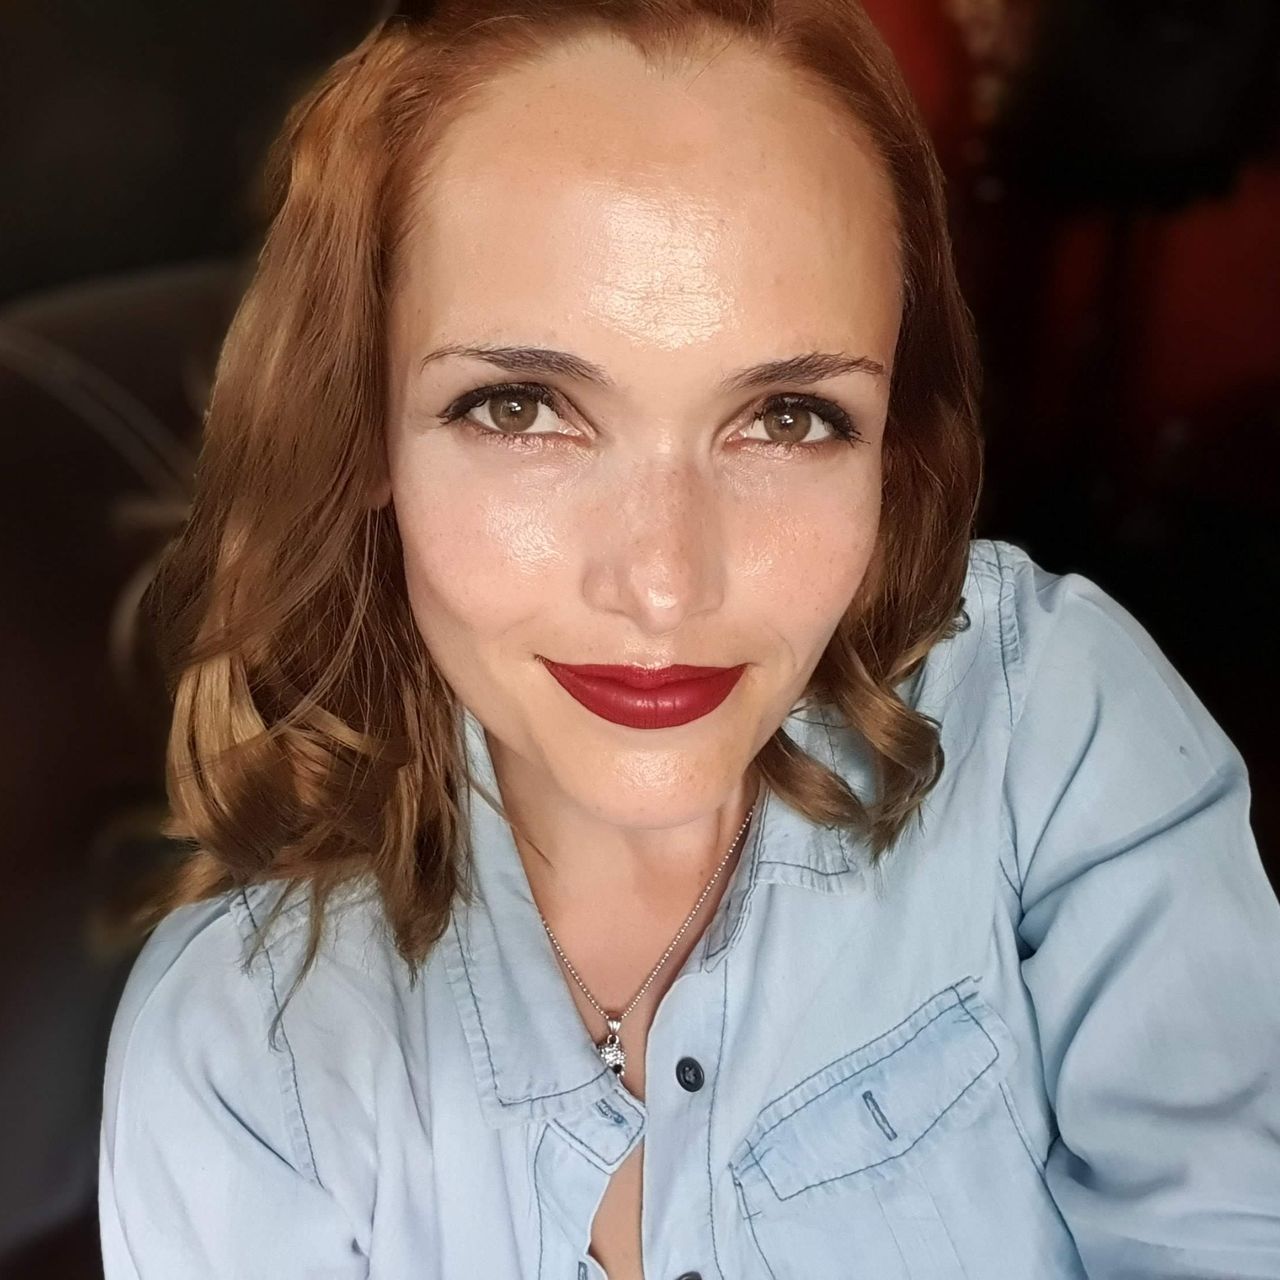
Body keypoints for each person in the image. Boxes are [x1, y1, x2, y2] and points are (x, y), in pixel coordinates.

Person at [96, 1, 1280, 1277]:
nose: (662, 584)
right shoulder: (249, 1064)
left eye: (787, 416)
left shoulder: (1046, 721)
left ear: (891, 444)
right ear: (365, 429)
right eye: (521, 406)